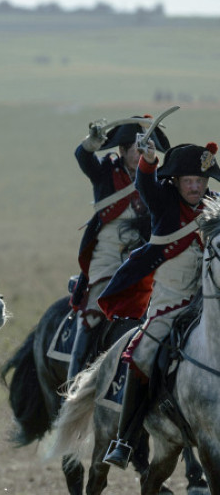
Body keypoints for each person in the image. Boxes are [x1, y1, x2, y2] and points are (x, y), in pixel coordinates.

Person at [99, 140, 220, 468]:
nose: (195, 187)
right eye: (188, 181)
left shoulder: (216, 207)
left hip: (208, 306)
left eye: (200, 181)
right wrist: (149, 160)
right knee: (141, 354)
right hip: (171, 305)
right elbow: (145, 184)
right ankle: (125, 439)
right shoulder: (163, 201)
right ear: (176, 182)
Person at [68, 116, 169, 382]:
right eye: (137, 147)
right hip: (109, 255)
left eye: (149, 146)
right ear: (122, 151)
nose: (144, 152)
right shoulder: (105, 172)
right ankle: (73, 383)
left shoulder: (158, 177)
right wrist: (90, 144)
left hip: (146, 257)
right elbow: (84, 159)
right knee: (92, 315)